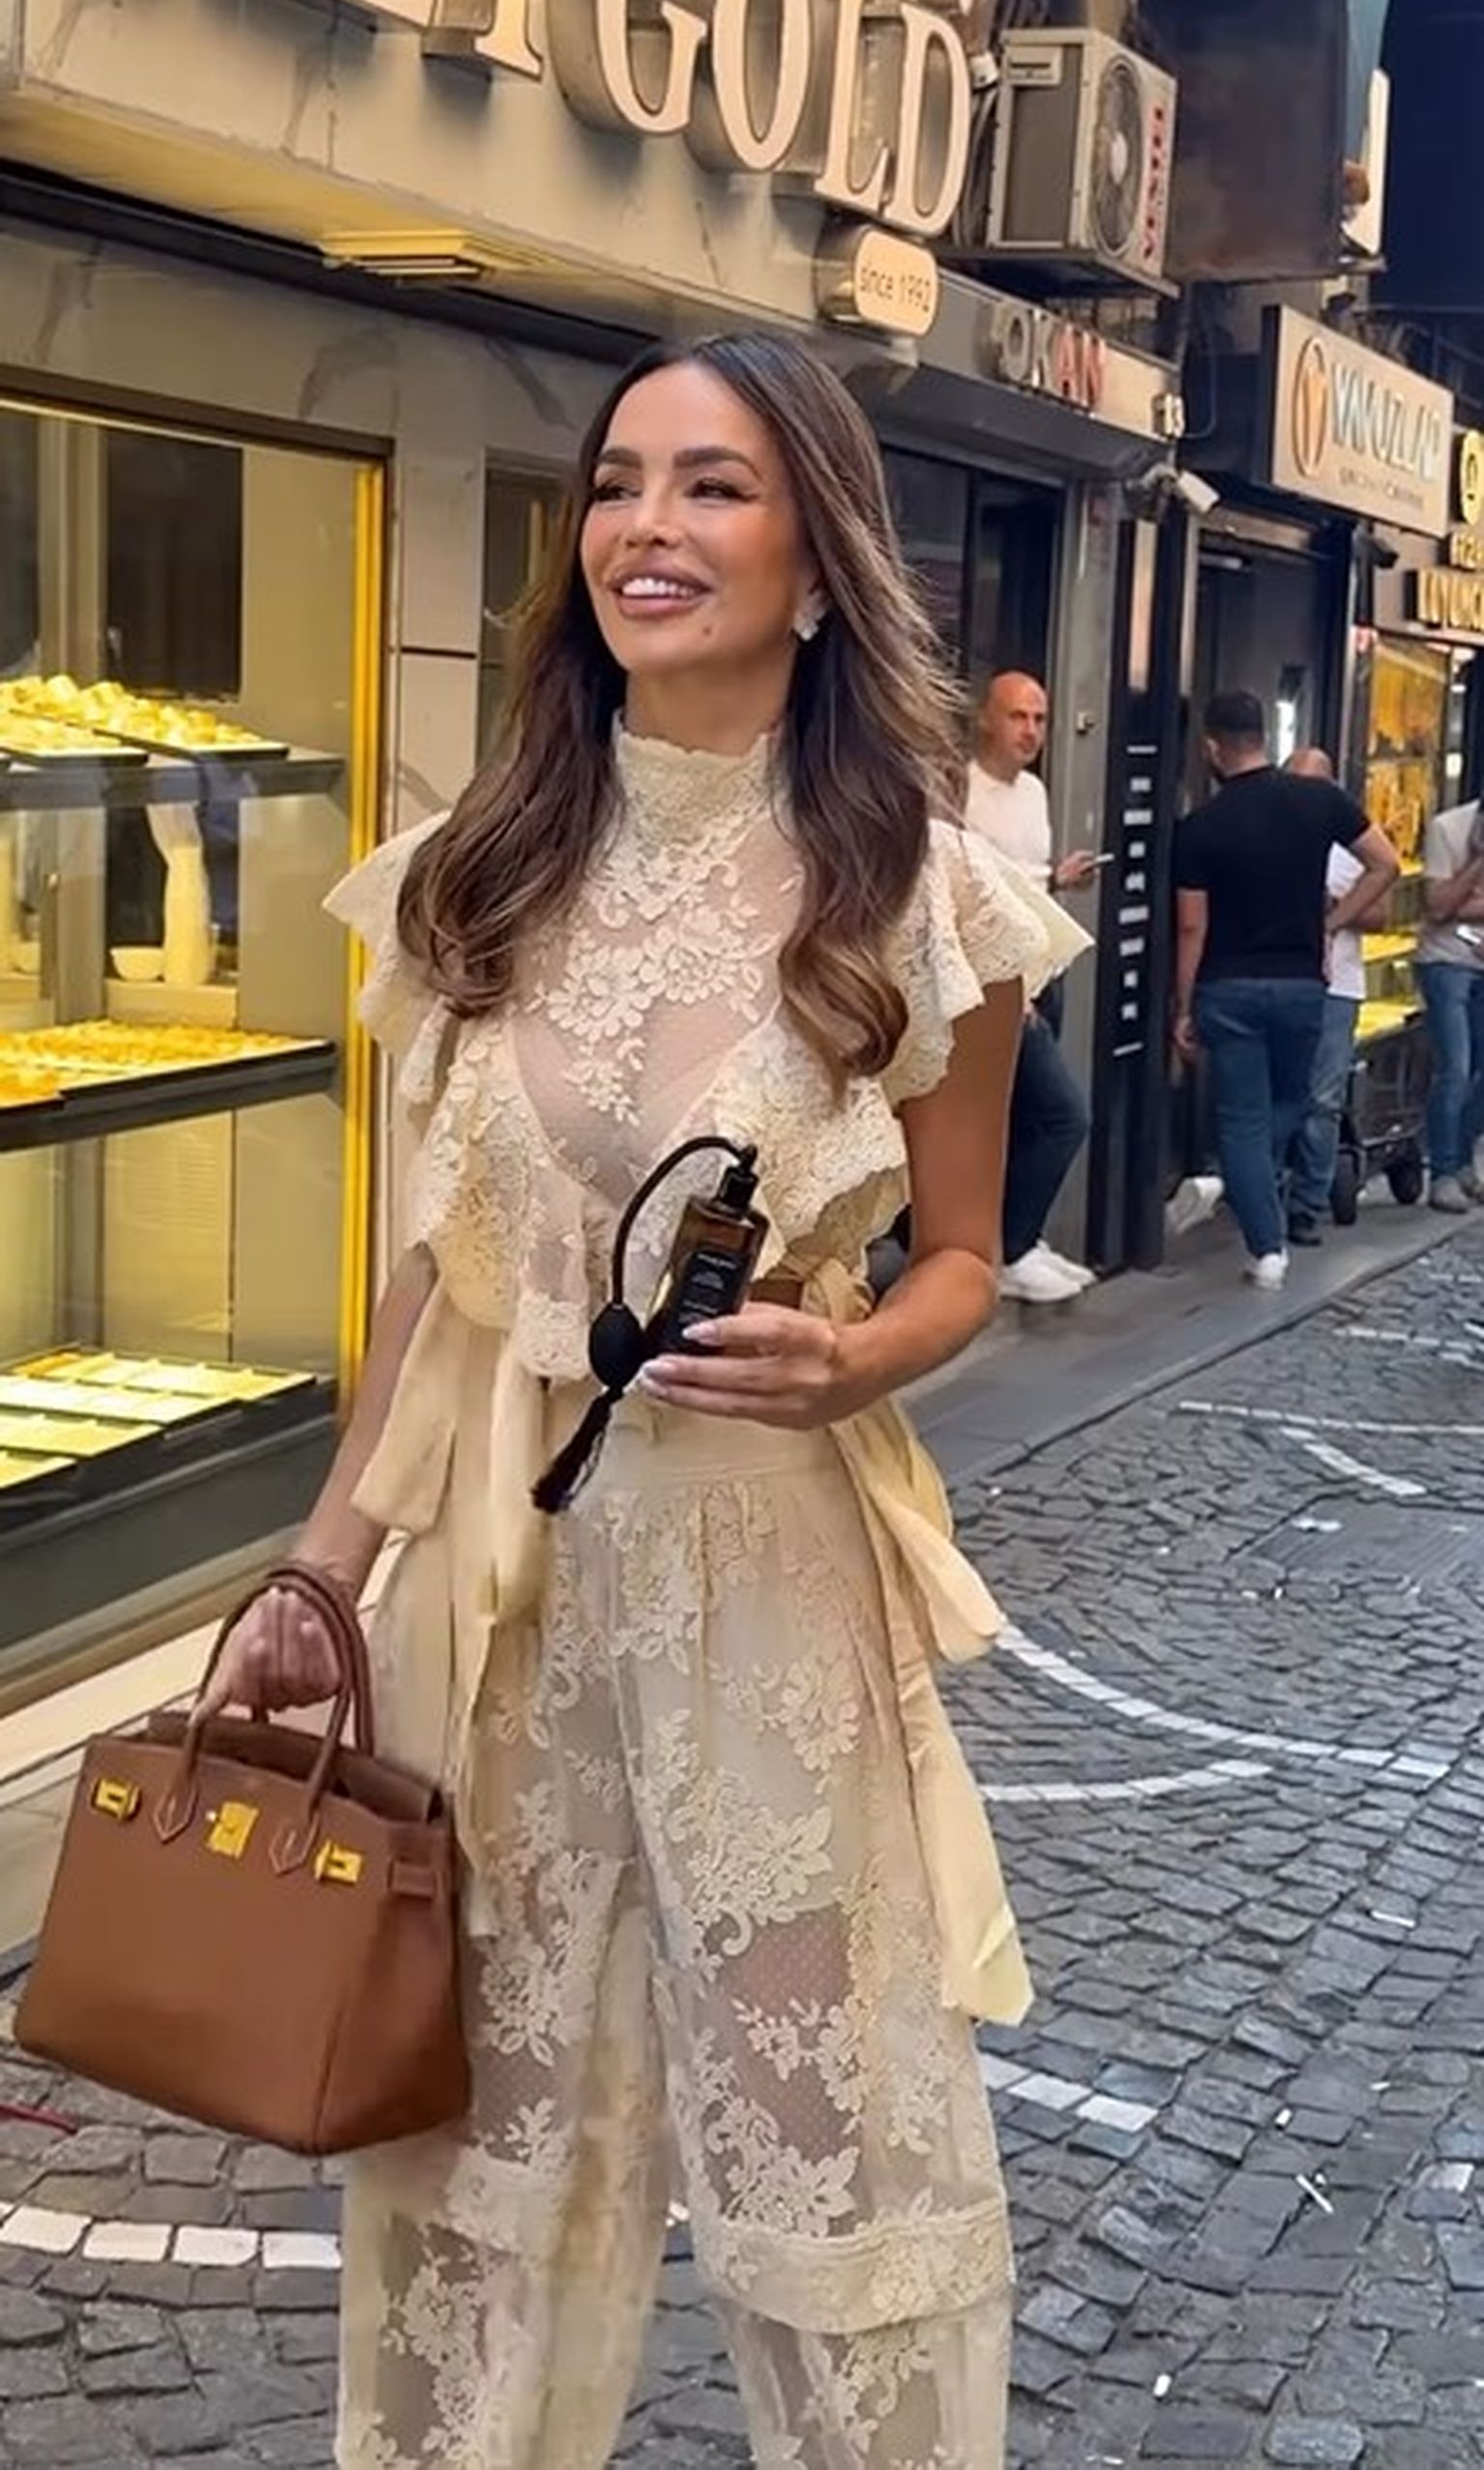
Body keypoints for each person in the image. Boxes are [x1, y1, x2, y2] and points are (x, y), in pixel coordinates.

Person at [199, 333, 1084, 2469]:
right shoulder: (479, 863)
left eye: (713, 485)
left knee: (823, 2139)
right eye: (616, 483)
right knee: (464, 2140)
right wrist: (321, 1564)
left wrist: (856, 1352)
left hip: (763, 1579)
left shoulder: (924, 891)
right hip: (488, 1601)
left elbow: (962, 1253)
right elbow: (442, 1271)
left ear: (817, 555)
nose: (645, 530)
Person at [1174, 692, 1398, 1288]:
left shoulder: (1199, 828)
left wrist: (1183, 1005)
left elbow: (1192, 926)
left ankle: (1265, 1247)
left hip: (1227, 986)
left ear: (1212, 748)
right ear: (1265, 737)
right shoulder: (1318, 800)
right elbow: (1386, 863)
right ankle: (1235, 1188)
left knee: (1242, 1117)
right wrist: (1332, 923)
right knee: (1297, 1101)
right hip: (1302, 982)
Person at [966, 671, 1099, 1305]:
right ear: (986, 719)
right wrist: (1004, 986)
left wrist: (1059, 879)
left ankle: (1020, 1237)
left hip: (1045, 969)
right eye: (1018, 716)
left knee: (1025, 1116)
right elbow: (968, 895)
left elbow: (1022, 879)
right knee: (1064, 1113)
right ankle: (1010, 1250)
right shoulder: (962, 790)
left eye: (1040, 719)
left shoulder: (1035, 792)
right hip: (999, 982)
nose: (1031, 731)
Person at [1285, 746, 1379, 1241]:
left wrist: (1335, 910)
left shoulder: (1351, 849)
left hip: (1337, 985)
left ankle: (1307, 1202)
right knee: (1278, 1093)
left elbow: (1381, 913)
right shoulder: (1270, 836)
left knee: (1322, 1099)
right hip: (1281, 979)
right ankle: (1267, 1191)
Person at [1418, 791, 1484, 1212]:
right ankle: (1442, 1170)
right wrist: (1477, 861)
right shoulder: (1448, 829)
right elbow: (1439, 906)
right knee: (1455, 1068)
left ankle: (1462, 1160)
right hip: (1447, 960)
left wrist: (1468, 903)